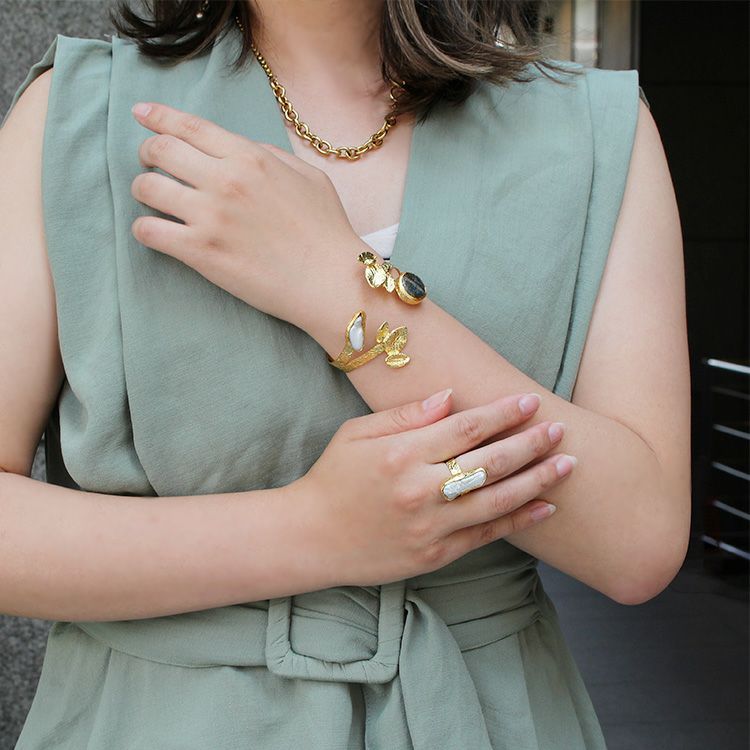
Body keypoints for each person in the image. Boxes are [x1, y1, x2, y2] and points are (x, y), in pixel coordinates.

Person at [0, 0, 690, 748]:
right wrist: (315, 531)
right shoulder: (77, 114)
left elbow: (637, 541)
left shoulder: (592, 132)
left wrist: (337, 283)